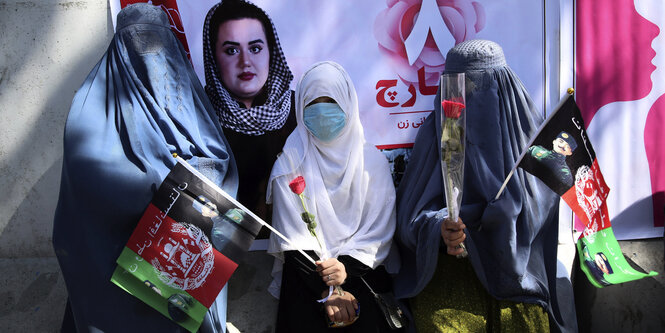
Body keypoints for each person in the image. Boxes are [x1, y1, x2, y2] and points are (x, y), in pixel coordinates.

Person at [52, 4, 237, 332]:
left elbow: (219, 165)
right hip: (112, 274)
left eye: (157, 44)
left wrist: (190, 181)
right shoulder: (91, 109)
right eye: (138, 44)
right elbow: (85, 189)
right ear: (119, 50)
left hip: (179, 274)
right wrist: (164, 184)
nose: (150, 56)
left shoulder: (190, 103)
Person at [393, 40, 578, 332]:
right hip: (452, 271)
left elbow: (537, 212)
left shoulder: (528, 136)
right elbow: (409, 218)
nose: (467, 98)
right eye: (457, 89)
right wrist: (440, 228)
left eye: (479, 87)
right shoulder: (437, 133)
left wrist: (497, 216)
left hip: (517, 271)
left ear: (502, 87)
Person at [266, 61, 401, 332]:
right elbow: (290, 239)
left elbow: (379, 232)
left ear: (348, 104)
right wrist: (328, 289)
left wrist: (345, 271)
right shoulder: (289, 164)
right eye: (313, 103)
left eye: (331, 101)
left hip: (363, 280)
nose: (322, 111)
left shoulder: (371, 163)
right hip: (308, 287)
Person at [203, 0, 296, 223]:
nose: (245, 62)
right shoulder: (199, 111)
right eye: (232, 50)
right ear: (214, 57)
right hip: (220, 244)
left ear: (271, 52)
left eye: (255, 48)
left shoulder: (297, 109)